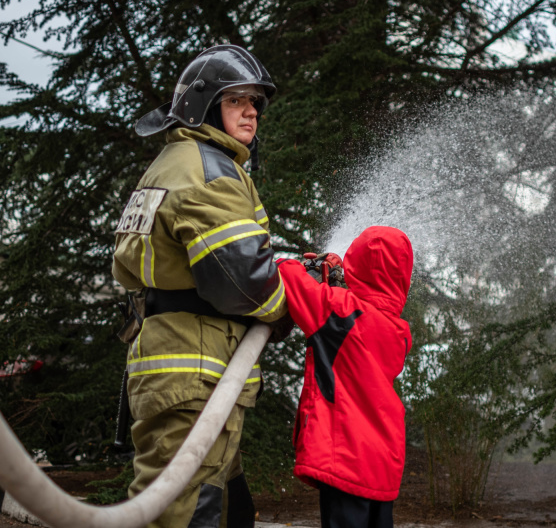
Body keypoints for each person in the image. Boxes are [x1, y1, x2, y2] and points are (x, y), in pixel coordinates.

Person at [112, 44, 292, 528]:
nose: (252, 110)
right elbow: (244, 283)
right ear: (204, 106)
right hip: (195, 371)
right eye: (237, 100)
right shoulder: (210, 171)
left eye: (255, 101)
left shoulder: (173, 163)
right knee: (185, 513)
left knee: (228, 507)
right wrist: (290, 302)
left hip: (184, 367)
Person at [275, 226, 414, 528]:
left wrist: (309, 267)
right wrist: (333, 278)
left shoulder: (337, 308)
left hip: (346, 458)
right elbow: (352, 330)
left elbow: (286, 273)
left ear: (357, 263)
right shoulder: (399, 332)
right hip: (383, 461)